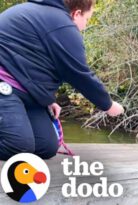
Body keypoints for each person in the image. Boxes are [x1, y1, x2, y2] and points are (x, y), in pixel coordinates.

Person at [0, 0, 124, 161]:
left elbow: (32, 65)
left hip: (24, 92)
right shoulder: (61, 25)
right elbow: (80, 74)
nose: (85, 26)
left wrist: (48, 99)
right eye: (86, 20)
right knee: (18, 146)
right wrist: (109, 106)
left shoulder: (48, 19)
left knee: (46, 146)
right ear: (77, 13)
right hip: (4, 86)